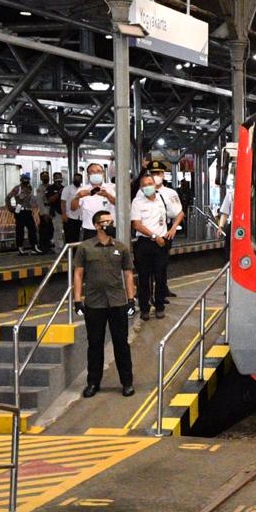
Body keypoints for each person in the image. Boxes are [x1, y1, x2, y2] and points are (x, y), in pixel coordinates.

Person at [73, 209, 136, 398]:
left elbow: (128, 274)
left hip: (117, 302)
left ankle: (127, 382)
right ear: (96, 225)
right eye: (106, 222)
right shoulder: (85, 248)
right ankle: (93, 382)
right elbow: (78, 273)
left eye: (111, 221)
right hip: (94, 303)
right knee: (95, 344)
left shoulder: (122, 248)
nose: (110, 224)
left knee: (121, 344)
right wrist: (77, 300)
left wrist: (131, 299)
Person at [130, 173, 179, 320]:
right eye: (144, 185)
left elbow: (179, 213)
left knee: (160, 276)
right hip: (145, 243)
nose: (148, 187)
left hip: (162, 243)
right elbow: (136, 224)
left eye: (150, 183)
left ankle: (159, 306)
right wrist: (154, 236)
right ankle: (145, 308)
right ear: (140, 188)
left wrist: (173, 228)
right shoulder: (137, 203)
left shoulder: (162, 199)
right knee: (144, 277)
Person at [146, 161, 184, 301]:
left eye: (158, 173)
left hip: (164, 231)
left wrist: (173, 228)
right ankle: (149, 294)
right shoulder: (143, 191)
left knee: (162, 265)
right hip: (146, 232)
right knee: (147, 267)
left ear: (163, 175)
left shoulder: (170, 193)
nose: (156, 176)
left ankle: (161, 292)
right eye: (153, 173)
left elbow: (179, 213)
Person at [71, 163, 116, 239]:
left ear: (103, 174)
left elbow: (119, 204)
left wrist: (107, 195)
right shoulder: (82, 190)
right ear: (88, 175)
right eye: (92, 172)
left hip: (108, 228)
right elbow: (73, 208)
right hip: (90, 229)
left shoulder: (112, 188)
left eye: (98, 171)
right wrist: (77, 197)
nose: (95, 174)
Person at [6, 173, 39, 255]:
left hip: (28, 210)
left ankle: (34, 246)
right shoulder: (18, 188)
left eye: (27, 180)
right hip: (19, 210)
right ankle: (20, 247)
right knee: (20, 230)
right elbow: (8, 197)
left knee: (32, 229)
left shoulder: (30, 188)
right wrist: (10, 208)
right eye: (25, 180)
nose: (26, 182)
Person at [63, 172, 83, 243]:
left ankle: (75, 252)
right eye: (76, 179)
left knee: (77, 236)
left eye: (79, 179)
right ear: (73, 179)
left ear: (81, 180)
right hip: (69, 216)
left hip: (79, 217)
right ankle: (69, 253)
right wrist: (64, 214)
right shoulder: (67, 188)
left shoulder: (82, 189)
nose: (77, 180)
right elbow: (63, 202)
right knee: (69, 236)